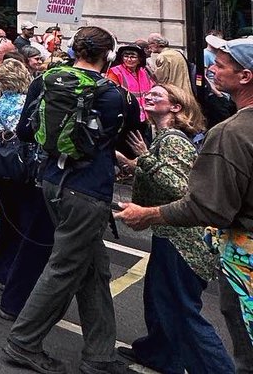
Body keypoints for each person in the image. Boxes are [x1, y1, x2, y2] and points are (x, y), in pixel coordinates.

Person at [117, 37, 253, 356]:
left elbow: (203, 204)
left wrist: (146, 213)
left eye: (220, 66)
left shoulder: (229, 133)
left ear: (245, 76)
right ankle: (160, 353)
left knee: (215, 329)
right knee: (162, 299)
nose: (211, 70)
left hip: (224, 249)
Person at [4, 26, 128, 374]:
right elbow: (119, 137)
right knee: (64, 268)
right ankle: (23, 341)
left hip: (52, 180)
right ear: (109, 56)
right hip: (87, 189)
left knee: (94, 269)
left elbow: (25, 131)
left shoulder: (44, 81)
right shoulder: (113, 94)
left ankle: (99, 355)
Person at [113, 84, 234, 373]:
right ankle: (157, 354)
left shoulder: (173, 140)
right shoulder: (161, 138)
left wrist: (144, 159)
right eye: (149, 93)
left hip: (184, 240)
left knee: (180, 310)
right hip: (168, 233)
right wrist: (132, 164)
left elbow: (181, 187)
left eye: (158, 95)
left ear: (176, 107)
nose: (149, 96)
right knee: (158, 299)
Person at [0, 59, 53, 322]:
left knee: (7, 224)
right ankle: (21, 279)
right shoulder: (33, 109)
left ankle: (4, 271)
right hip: (28, 176)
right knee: (28, 228)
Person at [107, 44, 155, 122]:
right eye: (126, 56)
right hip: (126, 116)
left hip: (145, 116)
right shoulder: (115, 72)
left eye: (133, 57)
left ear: (140, 59)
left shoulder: (144, 72)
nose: (129, 59)